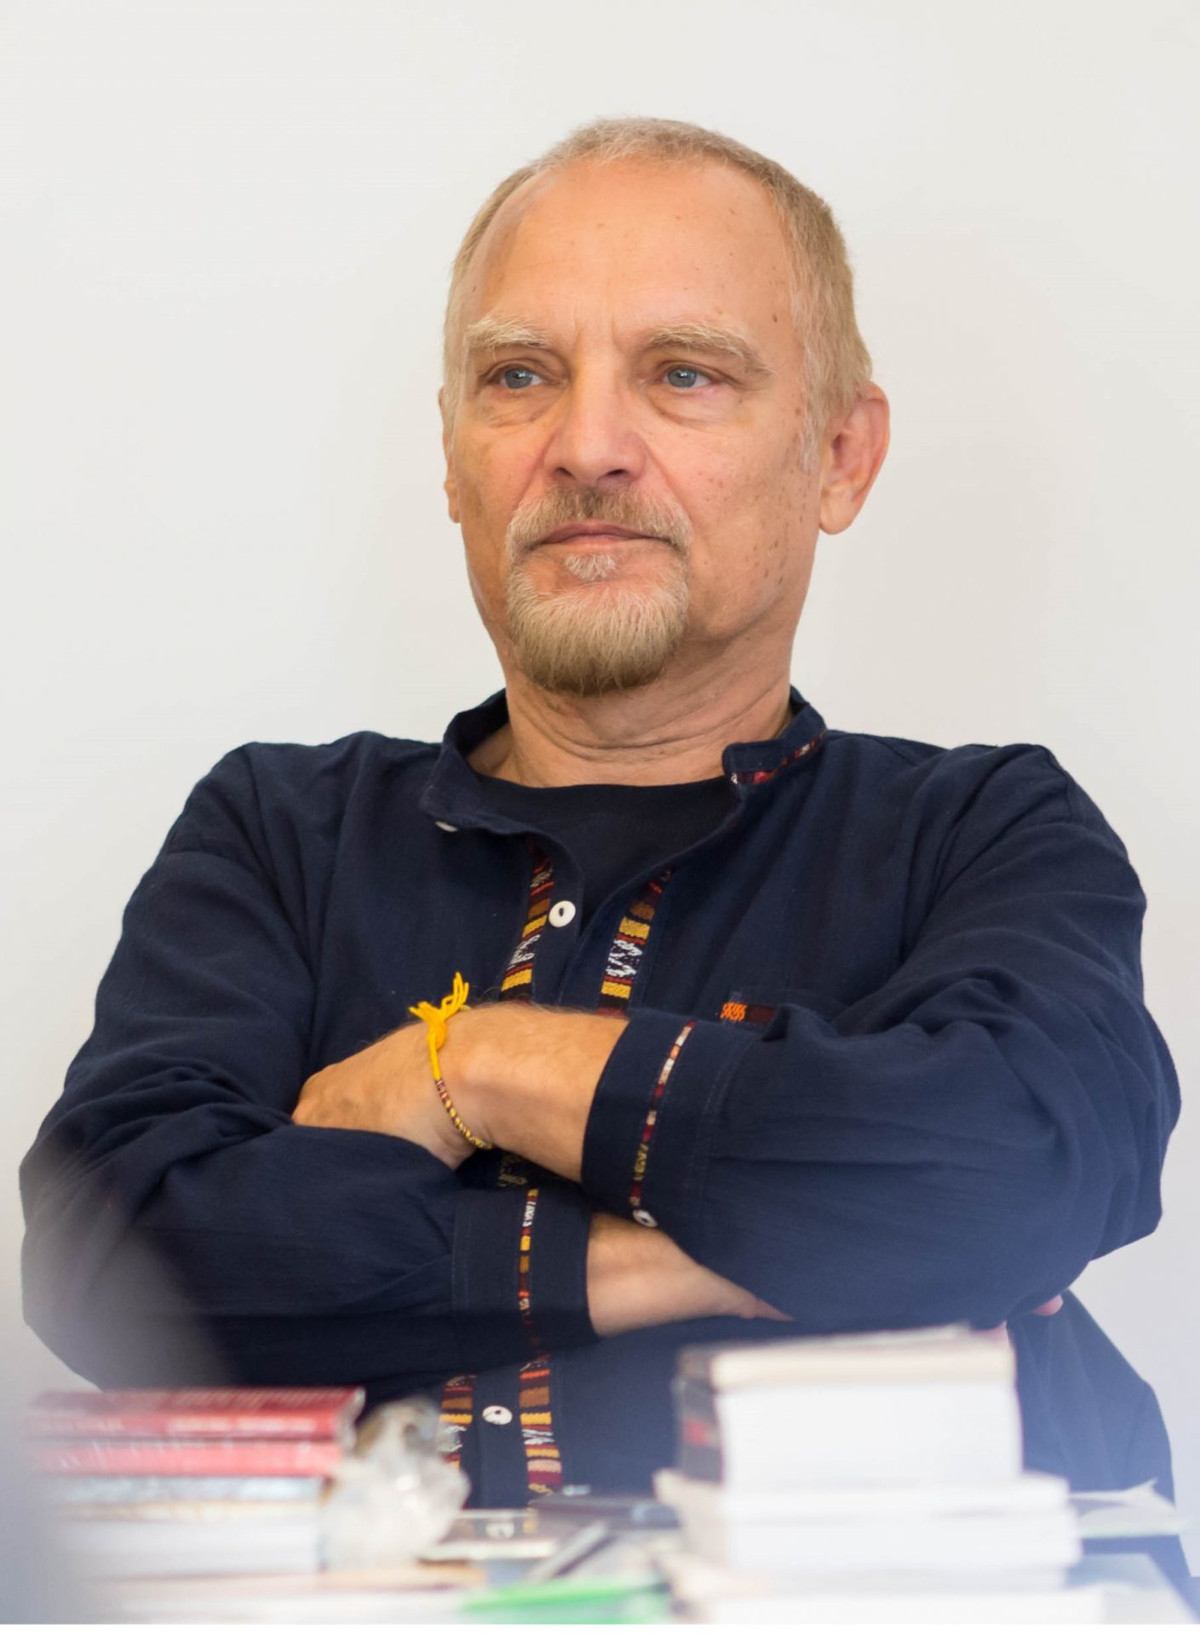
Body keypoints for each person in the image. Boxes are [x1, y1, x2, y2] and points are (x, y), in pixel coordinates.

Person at [21, 119, 1180, 1518]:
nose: (586, 447)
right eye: (519, 376)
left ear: (840, 456)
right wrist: (692, 1255)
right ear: (452, 456)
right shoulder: (281, 835)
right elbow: (112, 1262)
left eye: (684, 374)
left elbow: (1019, 1171)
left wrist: (471, 1064)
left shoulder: (981, 832)